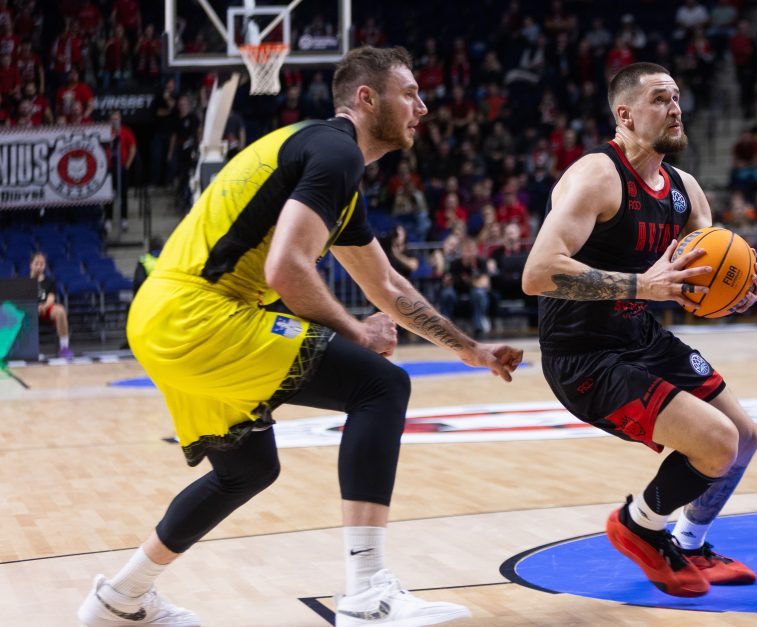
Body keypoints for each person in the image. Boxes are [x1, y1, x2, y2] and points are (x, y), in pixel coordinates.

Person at [78, 45, 523, 627]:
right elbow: (286, 267)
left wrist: (471, 349)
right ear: (366, 99)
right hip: (197, 313)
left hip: (166, 317)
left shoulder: (335, 170)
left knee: (248, 470)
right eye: (409, 93)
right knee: (381, 386)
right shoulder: (334, 149)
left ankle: (121, 597)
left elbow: (388, 285)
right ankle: (367, 593)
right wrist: (354, 331)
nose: (422, 106)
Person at [521, 63, 757, 598]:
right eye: (660, 99)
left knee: (744, 438)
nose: (674, 108)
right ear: (625, 115)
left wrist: (740, 284)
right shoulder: (596, 176)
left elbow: (707, 269)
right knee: (717, 442)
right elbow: (537, 273)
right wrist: (640, 285)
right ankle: (638, 525)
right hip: (585, 357)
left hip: (640, 338)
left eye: (677, 97)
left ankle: (694, 543)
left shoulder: (685, 190)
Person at [29, 251, 72, 359]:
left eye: (42, 264)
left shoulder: (49, 281)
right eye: (36, 263)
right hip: (30, 312)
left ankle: (64, 348)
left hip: (45, 310)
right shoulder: (25, 281)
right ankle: (27, 350)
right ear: (31, 265)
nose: (39, 266)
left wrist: (44, 306)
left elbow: (51, 297)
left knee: (60, 310)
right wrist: (34, 307)